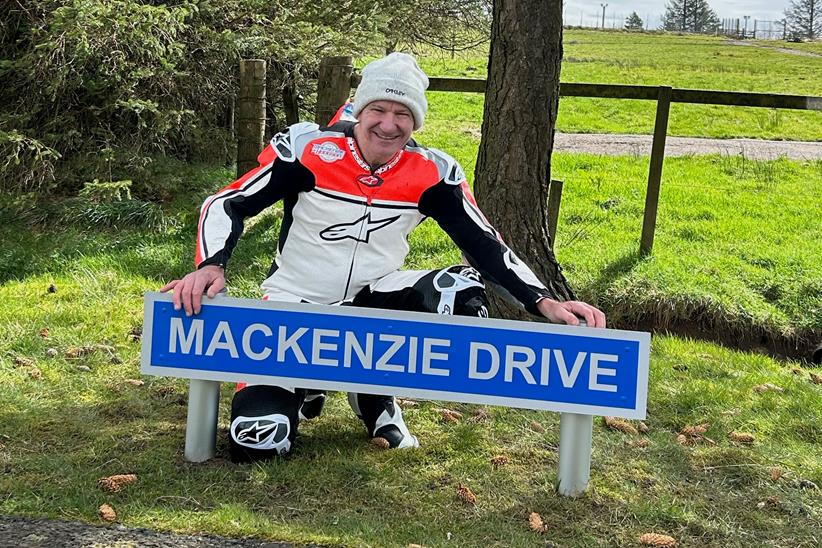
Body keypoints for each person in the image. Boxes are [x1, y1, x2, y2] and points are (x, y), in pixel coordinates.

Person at [162, 53, 605, 463]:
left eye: (403, 115)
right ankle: (304, 385)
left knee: (462, 293)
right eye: (379, 110)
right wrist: (210, 265)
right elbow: (227, 203)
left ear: (415, 122)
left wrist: (545, 302)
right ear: (359, 109)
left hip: (374, 303)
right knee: (257, 441)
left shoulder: (434, 171)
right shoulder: (308, 149)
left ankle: (372, 391)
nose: (389, 125)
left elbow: (486, 243)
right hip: (293, 305)